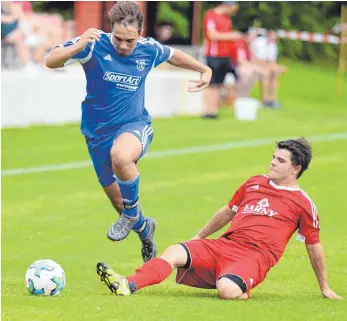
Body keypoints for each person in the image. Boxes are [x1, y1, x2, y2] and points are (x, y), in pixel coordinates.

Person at [45, 2, 212, 263]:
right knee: (119, 202)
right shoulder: (93, 44)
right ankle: (145, 230)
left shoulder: (148, 49)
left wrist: (203, 69)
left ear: (141, 34)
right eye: (119, 39)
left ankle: (132, 213)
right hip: (96, 134)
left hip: (133, 126)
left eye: (130, 41)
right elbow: (51, 61)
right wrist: (77, 46)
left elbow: (173, 55)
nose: (123, 46)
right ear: (110, 30)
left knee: (121, 157)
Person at [96, 137, 342, 300]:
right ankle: (127, 283)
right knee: (174, 251)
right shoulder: (254, 182)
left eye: (280, 161)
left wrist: (324, 287)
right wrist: (199, 237)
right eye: (273, 157)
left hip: (255, 257)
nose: (272, 163)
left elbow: (313, 247)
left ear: (296, 169)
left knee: (226, 291)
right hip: (225, 245)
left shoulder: (303, 203)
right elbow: (227, 212)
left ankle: (238, 284)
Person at [202, 1, 242, 119]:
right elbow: (212, 35)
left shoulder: (226, 19)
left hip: (225, 55)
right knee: (212, 83)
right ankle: (208, 111)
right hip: (214, 55)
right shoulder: (211, 15)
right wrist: (233, 36)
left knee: (219, 83)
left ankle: (213, 111)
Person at [251, 30, 287, 108]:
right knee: (266, 74)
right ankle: (265, 99)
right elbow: (254, 58)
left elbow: (272, 61)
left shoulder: (273, 45)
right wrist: (269, 66)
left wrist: (277, 67)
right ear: (268, 36)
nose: (273, 40)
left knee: (275, 73)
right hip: (254, 64)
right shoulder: (259, 42)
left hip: (265, 65)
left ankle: (272, 99)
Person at [229, 28, 269, 98]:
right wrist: (255, 67)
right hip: (233, 67)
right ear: (246, 36)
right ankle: (240, 95)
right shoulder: (239, 44)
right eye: (252, 36)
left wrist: (264, 65)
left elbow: (253, 59)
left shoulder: (248, 45)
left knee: (262, 71)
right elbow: (241, 61)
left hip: (243, 66)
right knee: (249, 72)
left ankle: (266, 98)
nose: (253, 39)